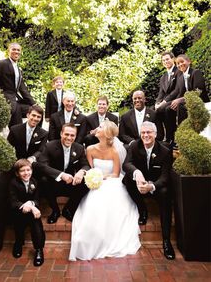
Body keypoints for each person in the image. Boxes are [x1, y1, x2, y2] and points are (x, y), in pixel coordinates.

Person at [69, 119, 141, 261]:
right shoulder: (90, 149)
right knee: (93, 202)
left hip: (110, 181)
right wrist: (93, 178)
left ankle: (109, 237)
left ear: (106, 133)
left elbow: (115, 173)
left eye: (100, 127)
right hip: (94, 182)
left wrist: (101, 178)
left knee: (110, 200)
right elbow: (89, 168)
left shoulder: (114, 151)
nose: (97, 128)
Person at [122, 121, 175, 260]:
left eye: (149, 132)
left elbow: (165, 177)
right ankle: (142, 209)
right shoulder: (134, 146)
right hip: (139, 182)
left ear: (155, 134)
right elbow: (126, 164)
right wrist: (137, 173)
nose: (145, 135)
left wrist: (151, 186)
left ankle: (166, 241)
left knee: (165, 193)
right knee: (127, 179)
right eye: (143, 132)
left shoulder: (165, 151)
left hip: (156, 185)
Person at [34, 123, 90, 224]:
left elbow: (86, 165)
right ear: (61, 133)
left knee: (87, 182)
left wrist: (82, 172)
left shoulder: (79, 148)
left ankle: (68, 209)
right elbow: (42, 166)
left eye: (72, 135)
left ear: (75, 136)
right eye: (66, 134)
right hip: (53, 184)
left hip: (70, 184)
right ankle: (55, 210)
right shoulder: (49, 146)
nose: (69, 138)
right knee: (43, 180)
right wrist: (61, 175)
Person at [0, 42, 36, 127]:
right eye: (14, 49)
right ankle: (16, 135)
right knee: (16, 125)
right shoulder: (1, 64)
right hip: (6, 101)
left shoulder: (18, 69)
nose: (16, 52)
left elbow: (23, 89)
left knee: (36, 111)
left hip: (15, 101)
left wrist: (34, 104)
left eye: (18, 50)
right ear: (9, 51)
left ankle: (34, 135)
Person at [165, 54, 210, 146]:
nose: (180, 64)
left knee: (181, 106)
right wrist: (170, 102)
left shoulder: (196, 73)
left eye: (182, 62)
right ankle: (172, 137)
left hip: (200, 101)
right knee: (167, 109)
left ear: (189, 61)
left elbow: (198, 91)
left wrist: (180, 100)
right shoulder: (181, 77)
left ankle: (183, 136)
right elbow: (180, 93)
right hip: (187, 101)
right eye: (178, 63)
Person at [9, 159, 45, 266]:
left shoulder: (34, 182)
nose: (26, 173)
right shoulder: (13, 183)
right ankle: (18, 243)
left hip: (31, 213)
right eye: (22, 171)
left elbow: (37, 199)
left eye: (28, 170)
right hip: (18, 212)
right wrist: (26, 206)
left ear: (32, 171)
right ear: (17, 173)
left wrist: (31, 204)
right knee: (19, 224)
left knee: (36, 224)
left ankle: (39, 249)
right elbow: (13, 201)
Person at [155, 52, 181, 143]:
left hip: (177, 98)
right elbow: (161, 93)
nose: (166, 61)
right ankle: (160, 137)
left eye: (167, 59)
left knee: (166, 109)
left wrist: (164, 102)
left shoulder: (178, 71)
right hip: (166, 102)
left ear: (173, 59)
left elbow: (177, 90)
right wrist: (157, 103)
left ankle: (171, 138)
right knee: (153, 111)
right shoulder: (163, 77)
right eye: (163, 60)